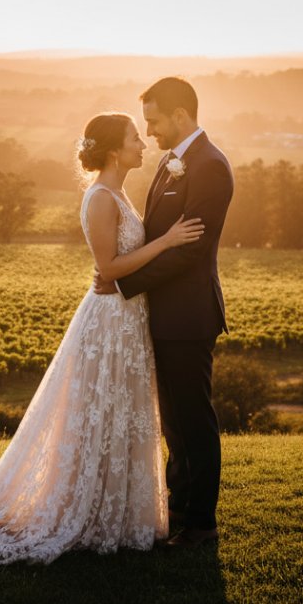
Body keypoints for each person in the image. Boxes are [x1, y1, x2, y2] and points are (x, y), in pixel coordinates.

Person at [0, 112, 205, 565]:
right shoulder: (99, 198)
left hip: (128, 319)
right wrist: (167, 241)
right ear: (114, 150)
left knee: (119, 414)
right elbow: (109, 268)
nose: (143, 143)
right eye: (135, 137)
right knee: (96, 414)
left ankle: (118, 514)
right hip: (109, 321)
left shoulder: (119, 192)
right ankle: (81, 512)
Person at [94, 76, 233, 549]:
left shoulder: (210, 166)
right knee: (174, 421)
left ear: (180, 116)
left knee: (193, 419)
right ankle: (177, 510)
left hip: (189, 316)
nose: (149, 131)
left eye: (153, 120)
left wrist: (123, 280)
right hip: (163, 314)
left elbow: (188, 251)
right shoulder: (174, 162)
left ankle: (201, 525)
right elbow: (157, 238)